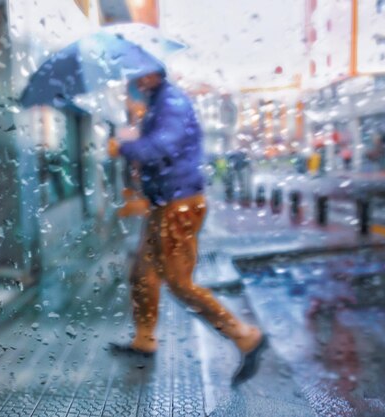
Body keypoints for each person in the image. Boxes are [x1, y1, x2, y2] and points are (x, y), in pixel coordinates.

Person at [107, 70, 266, 385]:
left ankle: (245, 336)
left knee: (179, 282)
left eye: (140, 76)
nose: (136, 82)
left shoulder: (172, 102)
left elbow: (162, 147)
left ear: (154, 73)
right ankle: (144, 339)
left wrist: (124, 147)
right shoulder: (157, 103)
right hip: (165, 203)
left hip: (179, 205)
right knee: (142, 273)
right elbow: (158, 153)